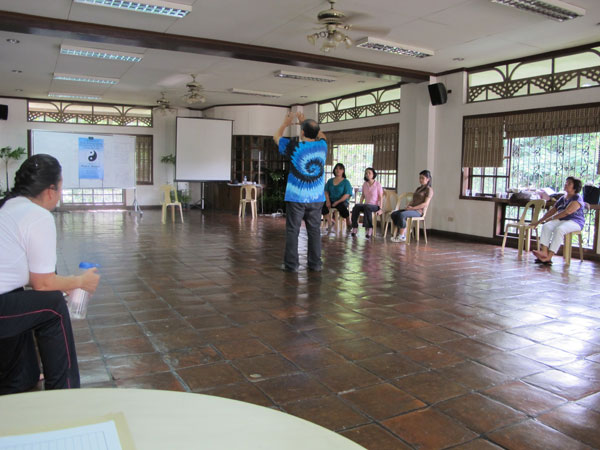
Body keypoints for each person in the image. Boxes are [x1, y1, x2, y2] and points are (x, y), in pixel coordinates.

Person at [0, 154, 100, 394]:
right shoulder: (38, 216)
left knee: (27, 300)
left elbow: (30, 277)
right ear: (50, 190)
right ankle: (63, 391)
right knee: (53, 306)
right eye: (61, 186)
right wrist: (80, 282)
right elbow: (43, 284)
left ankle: (21, 376)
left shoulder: (8, 207)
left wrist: (63, 284)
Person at [273, 112, 327, 272]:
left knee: (292, 231)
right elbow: (322, 135)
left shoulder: (295, 147)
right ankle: (315, 264)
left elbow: (276, 137)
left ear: (302, 132)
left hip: (296, 197)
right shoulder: (323, 146)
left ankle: (291, 265)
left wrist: (285, 123)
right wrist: (307, 123)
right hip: (317, 198)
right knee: (314, 231)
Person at [531, 176, 585, 265]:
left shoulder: (577, 198)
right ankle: (544, 252)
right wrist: (540, 221)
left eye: (569, 183)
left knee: (559, 229)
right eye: (566, 182)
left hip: (575, 222)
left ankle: (549, 257)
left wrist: (551, 218)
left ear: (575, 187)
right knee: (547, 225)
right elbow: (552, 211)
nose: (566, 184)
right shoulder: (563, 198)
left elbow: (567, 212)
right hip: (562, 220)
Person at [391, 170, 434, 242]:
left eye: (422, 178)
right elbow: (413, 200)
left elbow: (425, 204)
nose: (420, 180)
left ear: (428, 179)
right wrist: (408, 205)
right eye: (420, 178)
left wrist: (413, 208)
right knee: (394, 214)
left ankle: (402, 236)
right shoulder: (418, 188)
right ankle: (405, 229)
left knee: (401, 215)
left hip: (418, 211)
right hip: (411, 209)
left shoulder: (429, 190)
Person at [351, 168, 383, 238]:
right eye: (366, 173)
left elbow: (380, 197)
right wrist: (360, 204)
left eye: (369, 173)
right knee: (356, 206)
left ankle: (369, 228)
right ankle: (354, 227)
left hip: (375, 206)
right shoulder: (365, 184)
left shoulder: (378, 184)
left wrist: (380, 208)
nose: (367, 174)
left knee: (367, 207)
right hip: (366, 205)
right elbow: (362, 196)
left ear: (373, 174)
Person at [322, 163, 353, 234]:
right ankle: (330, 222)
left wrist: (338, 201)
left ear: (343, 171)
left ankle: (348, 221)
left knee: (341, 206)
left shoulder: (346, 182)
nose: (338, 170)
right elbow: (326, 191)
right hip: (331, 200)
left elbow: (347, 194)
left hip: (342, 201)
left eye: (340, 169)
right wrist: (328, 201)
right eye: (336, 168)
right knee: (321, 206)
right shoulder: (330, 181)